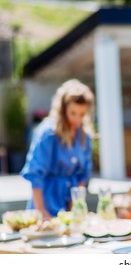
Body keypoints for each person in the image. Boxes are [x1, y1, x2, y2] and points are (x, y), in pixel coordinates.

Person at [21, 79, 95, 219]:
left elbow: (83, 175)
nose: (77, 119)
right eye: (73, 113)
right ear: (63, 109)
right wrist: (42, 212)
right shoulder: (48, 134)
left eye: (82, 114)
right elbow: (35, 175)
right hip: (46, 203)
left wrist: (75, 209)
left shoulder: (85, 135)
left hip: (70, 205)